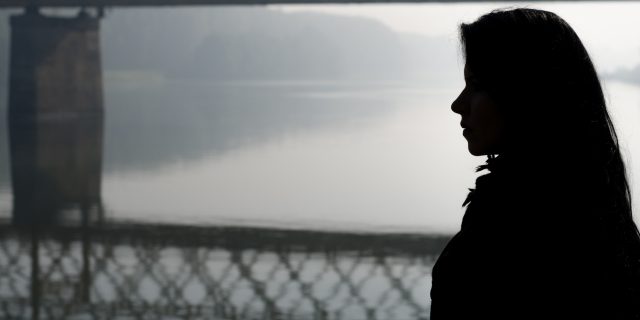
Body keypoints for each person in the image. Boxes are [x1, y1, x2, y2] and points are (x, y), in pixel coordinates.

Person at [430, 8, 640, 320]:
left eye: (476, 86)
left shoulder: (513, 225)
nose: (457, 105)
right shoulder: (593, 209)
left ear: (524, 92)